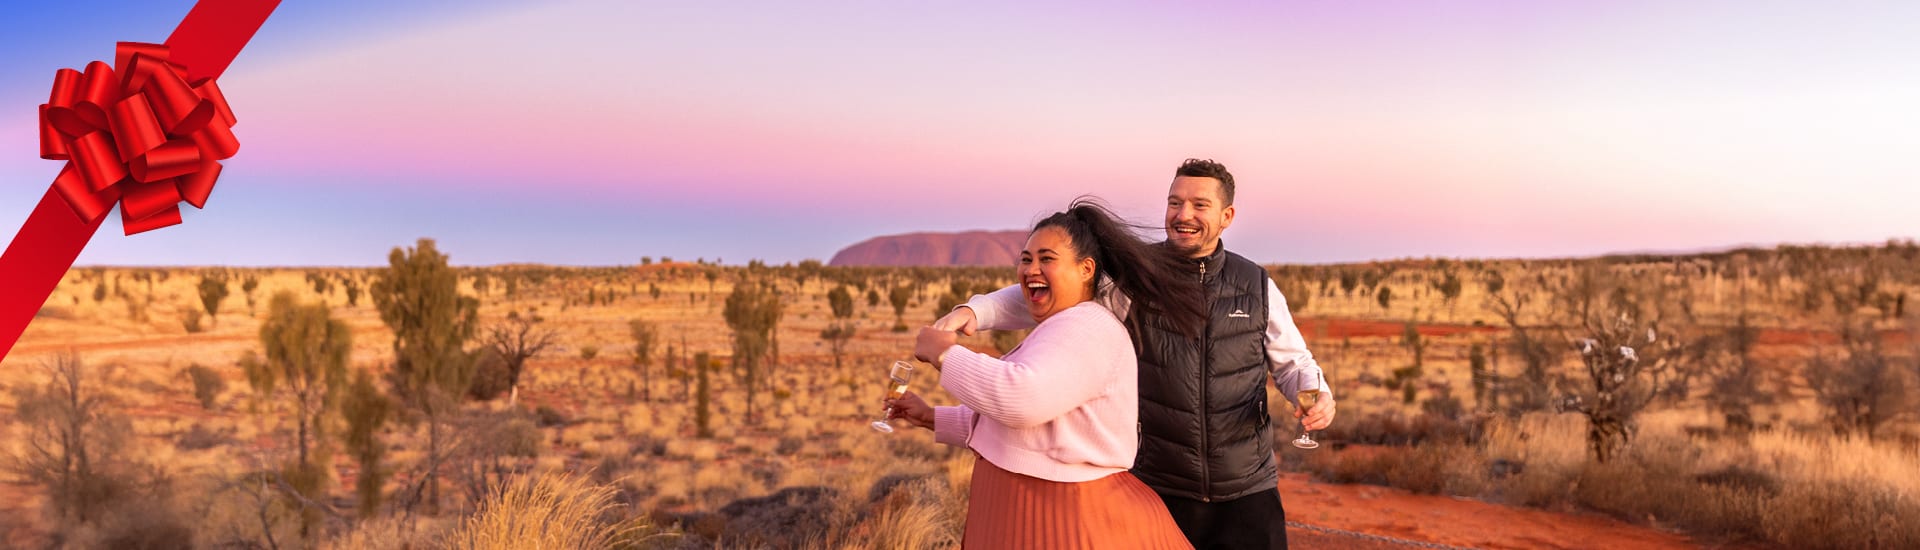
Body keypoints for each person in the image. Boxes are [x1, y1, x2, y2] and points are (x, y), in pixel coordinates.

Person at [933, 159, 1335, 549]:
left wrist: (1317, 395)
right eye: (1174, 202)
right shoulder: (1139, 275)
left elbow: (1293, 363)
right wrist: (976, 311)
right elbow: (1051, 289)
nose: (1183, 214)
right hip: (1160, 487)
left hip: (1247, 489)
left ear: (1227, 216)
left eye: (1199, 205)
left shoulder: (1255, 285)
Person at [887, 199, 1201, 549]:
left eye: (1047, 259)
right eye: (1026, 259)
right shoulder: (1065, 322)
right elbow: (1042, 429)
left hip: (1063, 520)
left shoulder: (1088, 328)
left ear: (1086, 269)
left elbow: (1022, 400)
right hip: (1032, 513)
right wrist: (933, 417)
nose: (1031, 268)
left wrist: (944, 354)